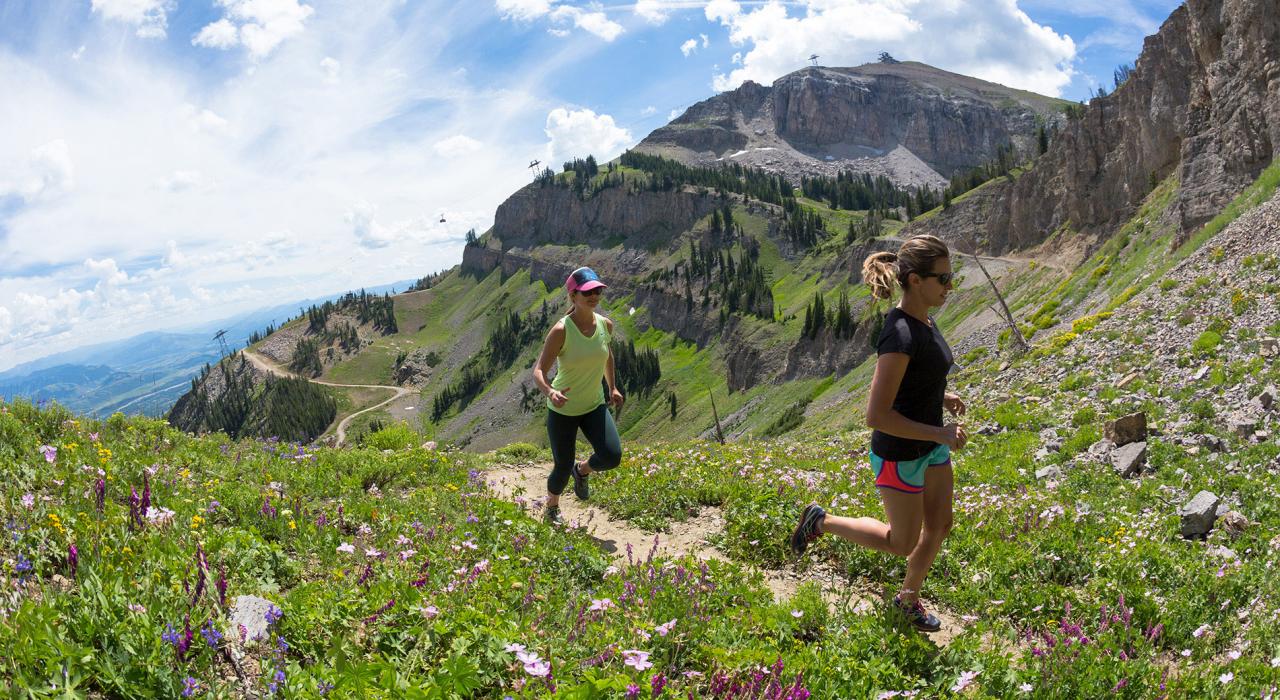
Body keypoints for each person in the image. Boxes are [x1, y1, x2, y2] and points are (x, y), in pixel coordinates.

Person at [789, 234, 967, 632]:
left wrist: (943, 396)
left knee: (939, 525)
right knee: (900, 542)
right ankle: (821, 522)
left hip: (930, 443)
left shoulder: (926, 319)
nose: (949, 286)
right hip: (900, 452)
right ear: (916, 281)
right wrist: (939, 433)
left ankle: (908, 600)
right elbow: (877, 415)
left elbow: (917, 379)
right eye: (943, 278)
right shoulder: (899, 334)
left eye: (951, 276)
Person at [531, 266, 625, 525]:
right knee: (561, 466)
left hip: (594, 405)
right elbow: (538, 370)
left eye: (597, 290)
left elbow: (608, 355)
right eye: (587, 292)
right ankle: (552, 507)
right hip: (564, 409)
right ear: (573, 296)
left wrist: (612, 387)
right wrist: (550, 392)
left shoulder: (605, 325)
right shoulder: (561, 330)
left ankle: (582, 471)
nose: (594, 296)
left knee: (611, 456)